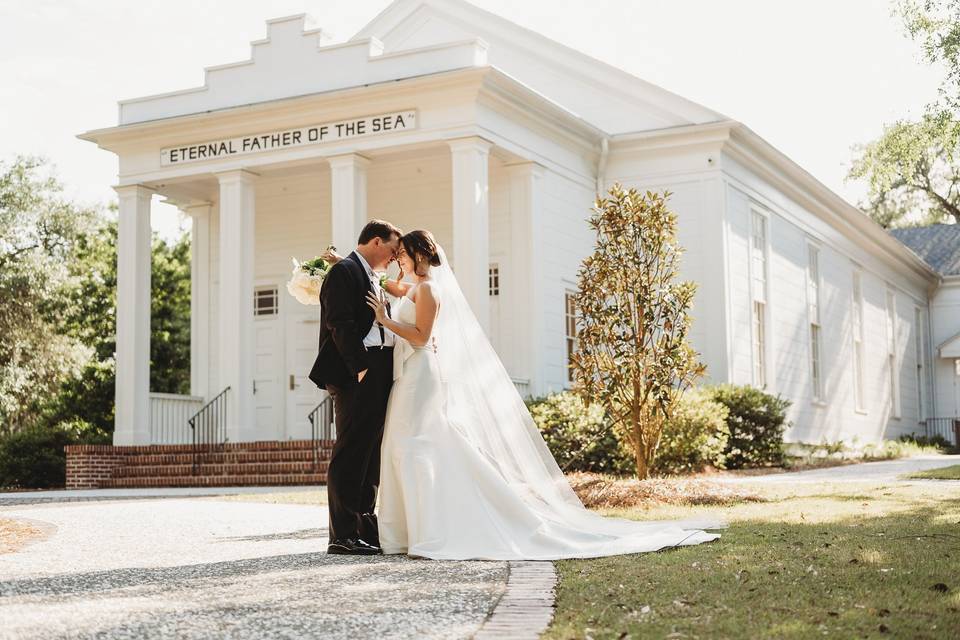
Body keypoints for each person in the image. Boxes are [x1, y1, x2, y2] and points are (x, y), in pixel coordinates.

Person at [323, 228, 724, 561]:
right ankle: (405, 529)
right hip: (410, 374)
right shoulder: (414, 287)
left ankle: (431, 527)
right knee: (406, 446)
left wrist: (383, 321)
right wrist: (341, 263)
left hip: (422, 371)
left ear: (417, 255)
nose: (397, 261)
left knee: (415, 446)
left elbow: (422, 335)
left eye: (402, 255)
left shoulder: (427, 292)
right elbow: (386, 284)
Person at [308, 219, 402, 555]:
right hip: (356, 372)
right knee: (350, 452)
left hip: (377, 370)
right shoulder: (344, 271)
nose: (394, 257)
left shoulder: (368, 274)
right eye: (392, 250)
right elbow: (339, 323)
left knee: (370, 454)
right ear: (376, 242)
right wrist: (360, 366)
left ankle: (364, 527)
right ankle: (342, 535)